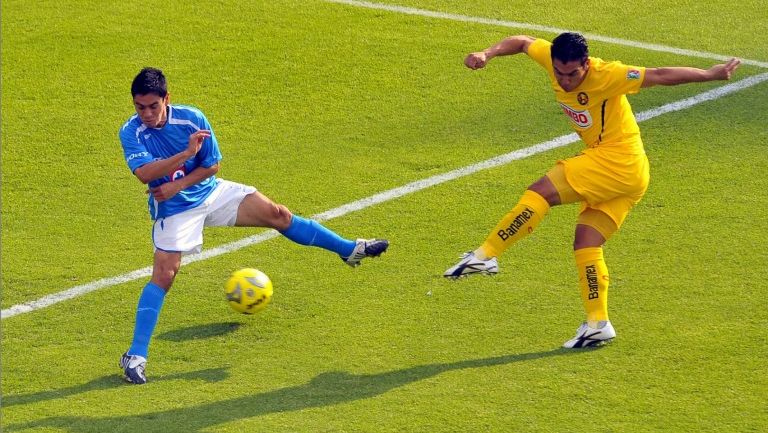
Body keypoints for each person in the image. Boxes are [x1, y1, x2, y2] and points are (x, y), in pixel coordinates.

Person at [444, 33, 740, 348]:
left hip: (617, 161)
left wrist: (711, 74)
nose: (566, 80)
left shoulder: (608, 74)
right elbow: (520, 41)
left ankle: (486, 255)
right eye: (559, 73)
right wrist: (487, 53)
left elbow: (660, 75)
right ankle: (598, 324)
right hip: (632, 176)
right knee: (586, 243)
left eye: (573, 74)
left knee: (541, 191)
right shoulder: (551, 57)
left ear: (586, 64)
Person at [118, 67, 389, 384]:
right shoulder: (131, 132)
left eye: (153, 106)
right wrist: (185, 154)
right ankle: (134, 357)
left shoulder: (192, 118)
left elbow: (212, 165)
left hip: (209, 193)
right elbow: (146, 174)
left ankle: (349, 250)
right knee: (164, 276)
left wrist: (181, 180)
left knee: (279, 214)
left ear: (167, 98)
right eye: (140, 107)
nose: (147, 113)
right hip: (174, 209)